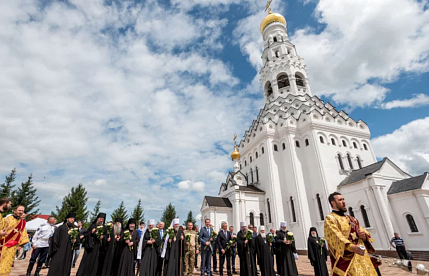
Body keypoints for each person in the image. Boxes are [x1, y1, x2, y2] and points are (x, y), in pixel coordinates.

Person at [324, 192, 378, 276]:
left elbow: (365, 233)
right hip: (347, 259)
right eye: (340, 200)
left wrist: (363, 236)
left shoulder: (352, 219)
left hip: (363, 258)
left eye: (343, 199)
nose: (344, 202)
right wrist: (351, 247)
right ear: (333, 203)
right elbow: (334, 237)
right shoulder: (330, 218)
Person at [0, 205, 30, 275]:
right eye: (19, 210)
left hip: (13, 247)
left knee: (8, 263)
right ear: (15, 210)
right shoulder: (6, 219)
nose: (21, 212)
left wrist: (21, 244)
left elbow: (23, 233)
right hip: (3, 244)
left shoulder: (22, 222)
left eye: (22, 211)